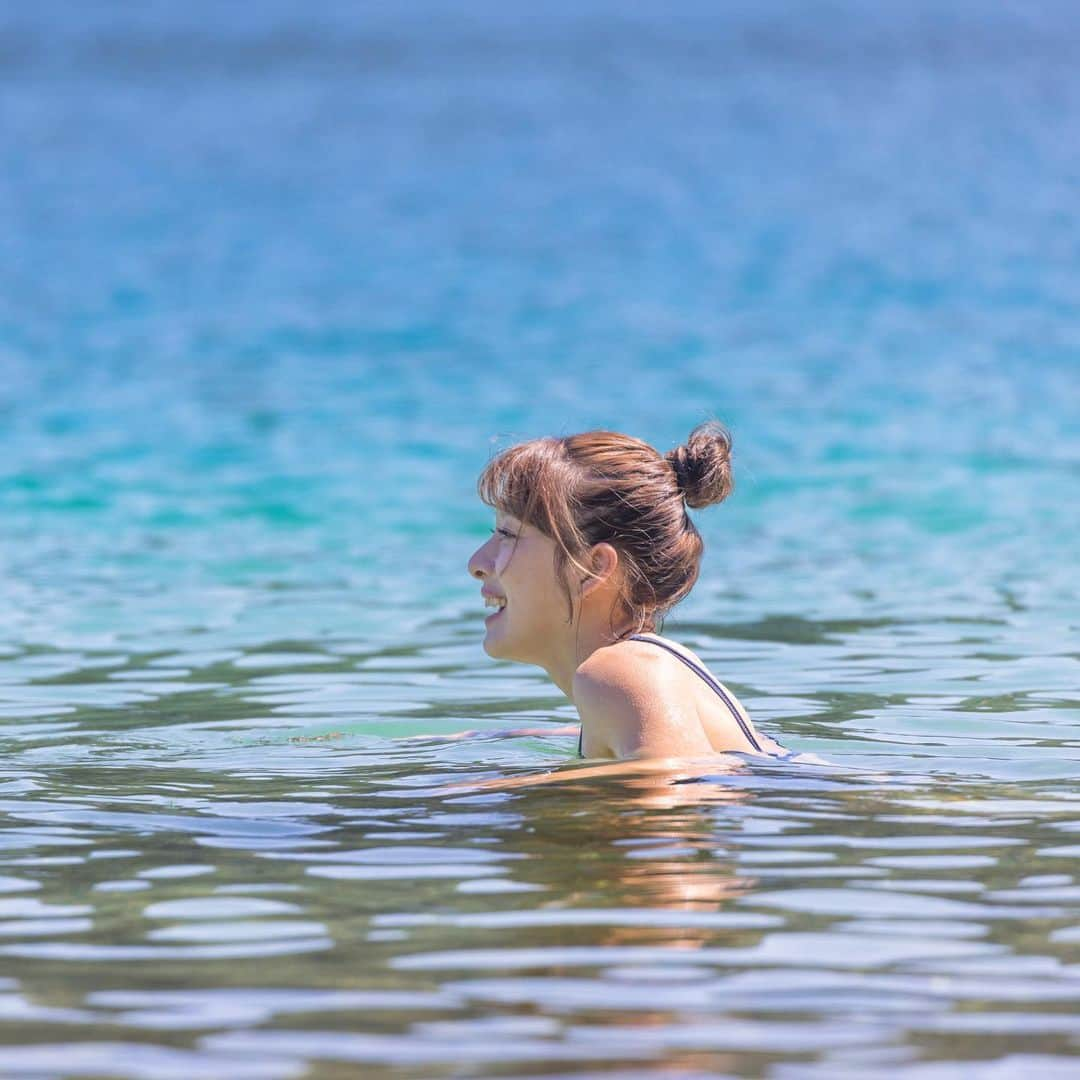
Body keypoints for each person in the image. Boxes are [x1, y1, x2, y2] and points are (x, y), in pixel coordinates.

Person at [466, 421, 786, 761]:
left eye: (507, 535)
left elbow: (675, 789)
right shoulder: (638, 674)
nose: (477, 563)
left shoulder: (622, 671)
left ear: (593, 569)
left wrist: (482, 791)